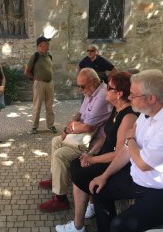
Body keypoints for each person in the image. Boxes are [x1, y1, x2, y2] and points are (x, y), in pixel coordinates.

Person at [55, 72, 139, 232]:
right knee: (77, 164)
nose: (105, 90)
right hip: (104, 157)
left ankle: (78, 225)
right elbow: (104, 138)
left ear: (119, 94)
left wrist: (94, 160)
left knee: (79, 173)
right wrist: (91, 154)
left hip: (116, 164)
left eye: (109, 87)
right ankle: (83, 217)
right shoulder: (116, 109)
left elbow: (119, 154)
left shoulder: (128, 117)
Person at [87, 69, 163, 232]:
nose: (129, 97)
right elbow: (127, 150)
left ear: (151, 98)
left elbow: (143, 163)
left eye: (133, 95)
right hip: (136, 179)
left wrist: (130, 139)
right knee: (97, 189)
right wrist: (104, 176)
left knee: (120, 225)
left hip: (157, 190)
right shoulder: (144, 114)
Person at [38, 68, 112, 213]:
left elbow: (88, 127)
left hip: (92, 141)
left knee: (60, 154)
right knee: (55, 141)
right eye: (77, 86)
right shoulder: (90, 91)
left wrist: (71, 128)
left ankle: (60, 199)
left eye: (82, 86)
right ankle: (56, 178)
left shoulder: (102, 95)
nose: (79, 90)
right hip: (81, 135)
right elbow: (79, 113)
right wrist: (67, 128)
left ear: (94, 81)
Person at [24, 36, 57, 134]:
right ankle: (34, 127)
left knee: (49, 106)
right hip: (39, 83)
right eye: (46, 43)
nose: (48, 45)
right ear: (40, 46)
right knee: (37, 106)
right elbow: (27, 71)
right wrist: (35, 79)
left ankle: (51, 125)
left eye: (48, 43)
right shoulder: (35, 56)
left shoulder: (49, 56)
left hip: (50, 83)